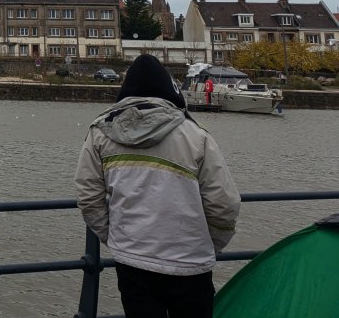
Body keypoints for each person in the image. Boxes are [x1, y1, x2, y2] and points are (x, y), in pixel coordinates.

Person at [74, 54, 240, 318]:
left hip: (132, 261)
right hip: (190, 263)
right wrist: (210, 244)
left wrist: (115, 237)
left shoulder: (99, 133)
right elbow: (224, 202)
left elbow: (88, 196)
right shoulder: (197, 136)